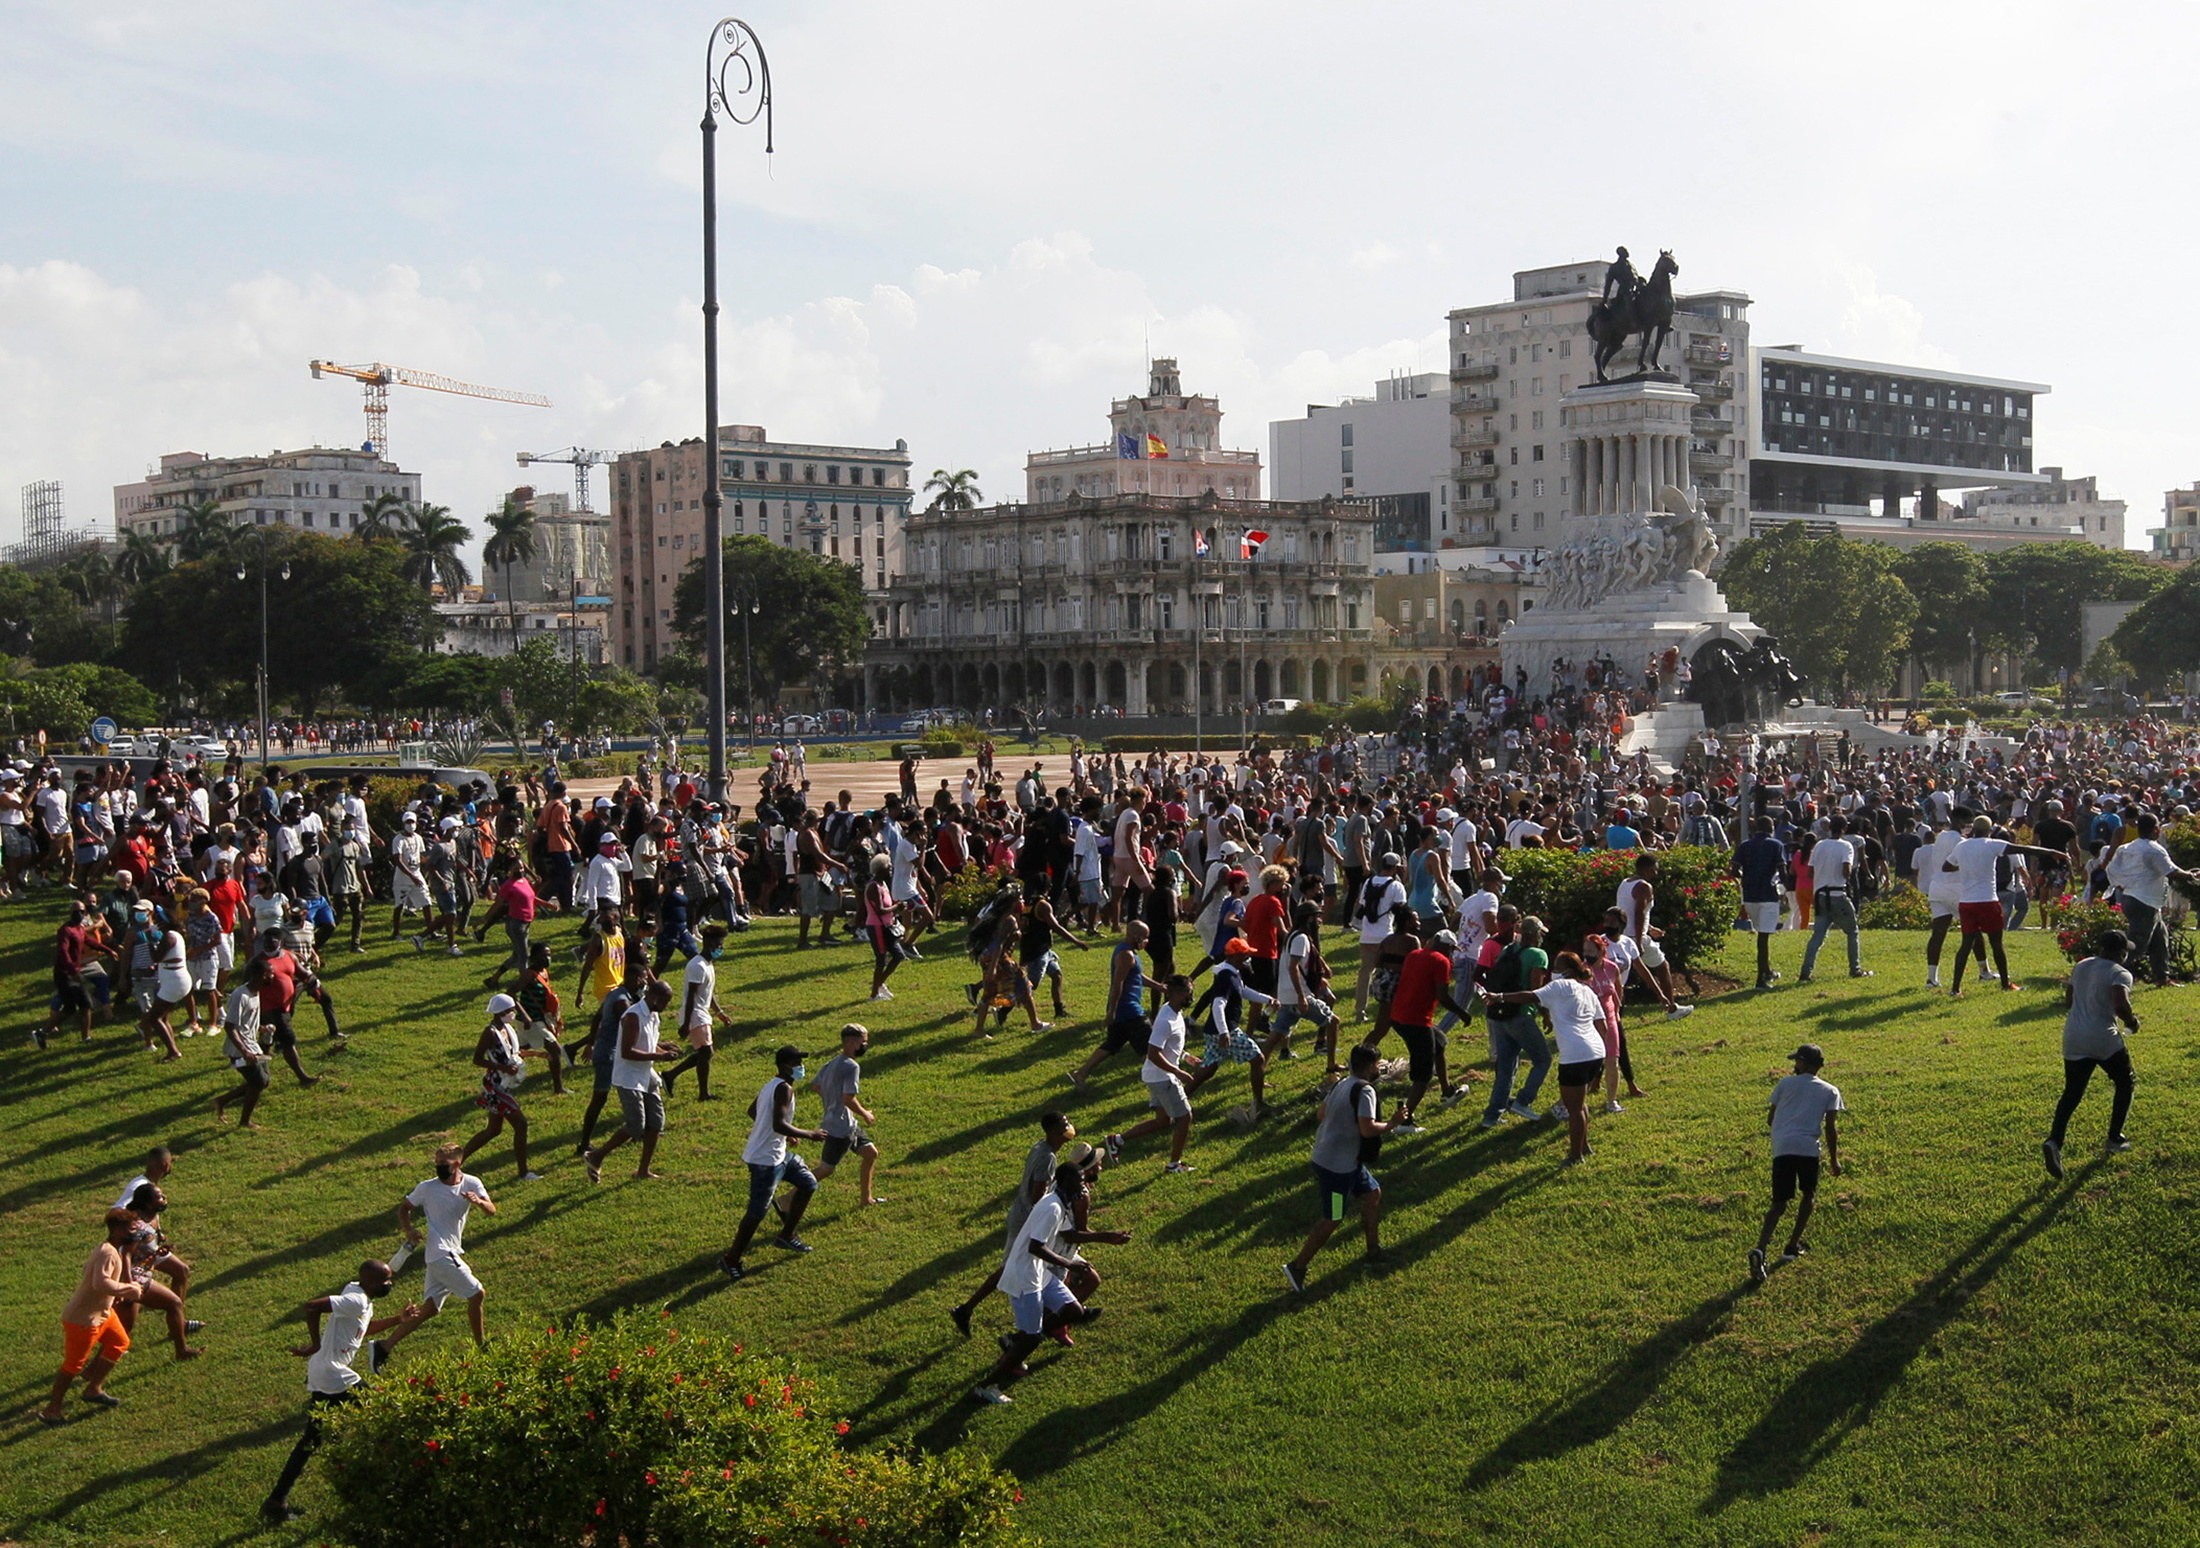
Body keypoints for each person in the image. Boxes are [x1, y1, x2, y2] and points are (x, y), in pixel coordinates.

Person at [260, 1259, 425, 1523]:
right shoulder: (357, 1300)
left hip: (322, 1374)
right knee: (382, 1414)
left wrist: (398, 1319)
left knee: (311, 1441)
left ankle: (275, 1501)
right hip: (334, 1373)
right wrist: (315, 1343)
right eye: (384, 1280)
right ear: (370, 1281)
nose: (389, 1284)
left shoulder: (358, 1295)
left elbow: (363, 1329)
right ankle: (396, 1486)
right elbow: (312, 1306)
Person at [970, 1160, 1129, 1404]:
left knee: (1073, 1310)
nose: (1083, 1183)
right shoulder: (1052, 1208)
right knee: (1032, 1338)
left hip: (1037, 1271)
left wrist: (1107, 1237)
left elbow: (1070, 1234)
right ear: (1066, 1182)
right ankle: (987, 1385)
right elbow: (1036, 1246)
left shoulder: (1059, 1202)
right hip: (1025, 1274)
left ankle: (1015, 1344)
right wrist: (1069, 1265)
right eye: (1079, 1179)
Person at [949, 1111, 1078, 1337]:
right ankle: (966, 1309)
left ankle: (967, 1309)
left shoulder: (1040, 1147)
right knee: (1009, 1269)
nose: (1067, 1128)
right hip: (1025, 1221)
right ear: (1052, 1132)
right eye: (1063, 1126)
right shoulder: (1049, 1158)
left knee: (1010, 1268)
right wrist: (1046, 1216)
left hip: (1020, 1214)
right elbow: (1038, 1194)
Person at [1281, 1042, 1396, 1292]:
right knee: (1333, 1216)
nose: (1379, 1068)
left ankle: (1373, 1251)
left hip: (1340, 1160)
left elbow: (1321, 1115)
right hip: (1337, 1168)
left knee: (1372, 1194)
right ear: (1368, 1067)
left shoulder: (1341, 1083)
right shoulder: (1365, 1091)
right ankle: (1297, 1267)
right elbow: (1367, 1128)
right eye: (1377, 1064)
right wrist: (1392, 1124)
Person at [1487, 950, 1611, 1163]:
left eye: (1556, 968)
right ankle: (1584, 1144)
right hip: (1596, 1052)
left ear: (1567, 971)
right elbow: (1603, 1026)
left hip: (1575, 1054)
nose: (1553, 972)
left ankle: (1575, 1155)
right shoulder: (1588, 992)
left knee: (1574, 1109)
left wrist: (1500, 997)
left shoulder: (1560, 986)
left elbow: (1530, 996)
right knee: (1581, 1104)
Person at [720, 1044, 828, 1282]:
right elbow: (778, 1123)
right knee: (757, 1212)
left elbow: (753, 1111)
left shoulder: (771, 1085)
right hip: (765, 1161)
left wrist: (785, 1136)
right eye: (798, 1063)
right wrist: (809, 1134)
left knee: (808, 1183)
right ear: (786, 1066)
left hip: (778, 1154)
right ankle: (731, 1259)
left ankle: (786, 1235)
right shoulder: (784, 1090)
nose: (801, 1068)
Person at [2043, 929, 2139, 1179]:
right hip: (2104, 1037)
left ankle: (2054, 1141)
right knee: (2125, 1081)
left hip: (2073, 1036)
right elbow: (2119, 1003)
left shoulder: (2082, 965)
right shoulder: (2120, 973)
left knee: (2072, 1092)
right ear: (2120, 953)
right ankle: (2114, 1137)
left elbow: (2069, 1000)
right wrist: (2132, 1022)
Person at [37, 1209, 145, 1423]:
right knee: (73, 1366)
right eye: (131, 1230)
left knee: (119, 1343)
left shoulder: (114, 1250)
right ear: (116, 1230)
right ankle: (52, 1410)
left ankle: (93, 1389)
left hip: (103, 1314)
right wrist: (128, 1289)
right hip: (84, 1320)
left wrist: (116, 1297)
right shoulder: (107, 1252)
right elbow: (100, 1283)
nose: (135, 1234)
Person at [1749, 1042, 1845, 1284]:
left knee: (1779, 1203)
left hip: (1782, 1148)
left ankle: (1760, 1248)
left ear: (1803, 1063)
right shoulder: (1830, 1091)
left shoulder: (1784, 1084)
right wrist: (1834, 1161)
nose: (1794, 1065)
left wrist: (1785, 1132)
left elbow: (1771, 1119)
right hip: (1807, 1149)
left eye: (1797, 1061)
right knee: (1808, 1194)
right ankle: (1792, 1245)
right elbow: (1831, 1130)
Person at [384, 1145, 495, 1353]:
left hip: (443, 1254)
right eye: (436, 1163)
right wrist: (409, 1231)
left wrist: (478, 1201)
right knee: (477, 1294)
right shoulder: (427, 1188)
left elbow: (491, 1210)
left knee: (430, 1309)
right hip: (442, 1253)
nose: (438, 1167)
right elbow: (404, 1208)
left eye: (443, 1164)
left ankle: (384, 1346)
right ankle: (482, 1346)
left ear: (457, 1163)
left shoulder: (472, 1183)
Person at [1943, 816, 2064, 995]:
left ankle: (1955, 988)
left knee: (1965, 945)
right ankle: (2005, 983)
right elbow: (2024, 848)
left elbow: (1947, 867)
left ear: (1973, 830)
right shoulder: (1992, 844)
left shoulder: (1961, 846)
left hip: (1967, 902)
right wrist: (2051, 851)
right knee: (1996, 944)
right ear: (1989, 831)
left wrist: (1967, 868)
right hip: (1987, 901)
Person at [1103, 974, 1200, 1173]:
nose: (1191, 997)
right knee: (1184, 1117)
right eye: (1188, 993)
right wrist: (1178, 1072)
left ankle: (1117, 1140)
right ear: (1176, 994)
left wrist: (1185, 1056)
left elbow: (1168, 1047)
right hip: (1162, 1077)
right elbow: (1153, 1053)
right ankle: (1174, 1164)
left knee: (1163, 1121)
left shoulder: (1173, 1012)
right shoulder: (1166, 1019)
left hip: (1156, 1075)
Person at [583, 978, 678, 1182]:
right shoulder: (633, 1016)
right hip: (629, 1078)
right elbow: (627, 1052)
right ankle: (596, 1155)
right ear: (653, 997)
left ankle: (643, 1170)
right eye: (664, 1002)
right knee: (636, 1126)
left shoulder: (653, 1016)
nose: (665, 1007)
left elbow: (649, 1044)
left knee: (656, 1123)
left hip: (647, 1074)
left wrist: (664, 1048)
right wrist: (660, 1057)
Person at [2103, 814, 2199, 987]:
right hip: (2145, 902)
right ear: (2156, 829)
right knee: (2137, 946)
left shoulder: (2126, 848)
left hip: (2135, 898)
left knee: (2160, 940)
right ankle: (2104, 975)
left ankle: (2162, 978)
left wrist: (2123, 885)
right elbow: (2172, 872)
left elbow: (2112, 870)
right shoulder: (2154, 849)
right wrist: (2192, 875)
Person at [1479, 916, 1552, 1128]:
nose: (1541, 937)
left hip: (1500, 1015)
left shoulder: (1507, 950)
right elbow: (1535, 991)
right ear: (1534, 934)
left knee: (1506, 1067)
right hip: (1521, 1015)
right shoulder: (1538, 955)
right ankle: (1523, 1101)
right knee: (1542, 1060)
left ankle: (1491, 1116)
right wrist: (1546, 1014)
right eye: (1540, 933)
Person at [458, 993, 540, 1180]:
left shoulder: (507, 1029)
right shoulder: (490, 1033)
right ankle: (523, 1172)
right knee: (521, 1124)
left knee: (493, 1130)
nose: (513, 1013)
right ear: (501, 1012)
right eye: (511, 1010)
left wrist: (537, 1055)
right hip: (495, 1087)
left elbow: (514, 1053)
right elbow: (477, 1059)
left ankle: (456, 1162)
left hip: (504, 1084)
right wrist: (501, 1067)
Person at [1068, 919, 1149, 1089]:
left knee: (1112, 1044)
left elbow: (1136, 977)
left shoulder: (1128, 953)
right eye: (1144, 937)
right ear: (1135, 936)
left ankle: (1081, 1073)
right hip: (1129, 1010)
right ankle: (1158, 1077)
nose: (1146, 941)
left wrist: (1159, 987)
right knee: (1149, 1047)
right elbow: (1117, 983)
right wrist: (1111, 1012)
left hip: (1123, 1010)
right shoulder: (1126, 955)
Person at [812, 1022, 883, 1206]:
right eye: (863, 1042)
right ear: (852, 1043)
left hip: (846, 1123)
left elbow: (817, 1086)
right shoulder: (851, 1066)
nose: (865, 1045)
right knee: (826, 1169)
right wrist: (865, 1114)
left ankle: (866, 1199)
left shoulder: (832, 1063)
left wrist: (830, 1098)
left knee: (870, 1153)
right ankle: (788, 1199)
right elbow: (848, 1099)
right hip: (839, 1127)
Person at [1614, 853, 1693, 1018]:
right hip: (1635, 938)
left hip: (1622, 935)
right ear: (1647, 869)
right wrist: (1639, 941)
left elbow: (1626, 912)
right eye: (1655, 870)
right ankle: (1672, 1009)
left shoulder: (1625, 883)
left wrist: (1650, 928)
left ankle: (1611, 1014)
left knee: (1619, 979)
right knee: (1663, 968)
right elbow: (1638, 913)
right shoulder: (1644, 887)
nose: (1656, 874)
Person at [662, 922, 734, 1100]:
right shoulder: (697, 966)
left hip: (702, 1013)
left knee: (704, 1053)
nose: (720, 948)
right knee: (706, 1053)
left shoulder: (708, 965)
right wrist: (685, 1024)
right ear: (708, 943)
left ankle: (670, 1075)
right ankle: (702, 1093)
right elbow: (692, 997)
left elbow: (708, 994)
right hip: (695, 1014)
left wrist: (719, 1013)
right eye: (718, 945)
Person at [1797, 814, 1872, 983]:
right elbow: (1847, 869)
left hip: (1821, 895)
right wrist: (1847, 878)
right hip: (1838, 893)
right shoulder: (1846, 846)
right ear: (1845, 828)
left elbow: (1810, 872)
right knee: (1852, 931)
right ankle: (1855, 968)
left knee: (1818, 935)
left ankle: (1805, 972)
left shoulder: (1819, 846)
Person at [213, 957, 274, 1128]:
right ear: (261, 975)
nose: (273, 977)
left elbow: (246, 1021)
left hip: (252, 1044)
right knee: (259, 1082)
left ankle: (222, 1101)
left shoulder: (256, 992)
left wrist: (261, 1028)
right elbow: (230, 1026)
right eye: (270, 974)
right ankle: (244, 1121)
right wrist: (245, 1052)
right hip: (239, 1049)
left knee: (264, 1081)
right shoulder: (241, 995)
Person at [1730, 816, 1786, 990]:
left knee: (1761, 933)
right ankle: (1761, 979)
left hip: (1750, 895)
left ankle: (1767, 970)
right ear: (1771, 828)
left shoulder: (1745, 845)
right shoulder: (1776, 845)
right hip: (1768, 895)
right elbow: (1782, 870)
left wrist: (1746, 877)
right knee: (1763, 937)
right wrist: (1785, 889)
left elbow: (1734, 870)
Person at [512, 941, 570, 1097]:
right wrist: (524, 1014)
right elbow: (511, 993)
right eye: (543, 955)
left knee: (518, 1051)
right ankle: (558, 1088)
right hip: (530, 1021)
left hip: (540, 1020)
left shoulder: (543, 972)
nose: (547, 959)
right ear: (533, 958)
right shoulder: (528, 975)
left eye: (549, 955)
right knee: (555, 1050)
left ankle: (505, 1076)